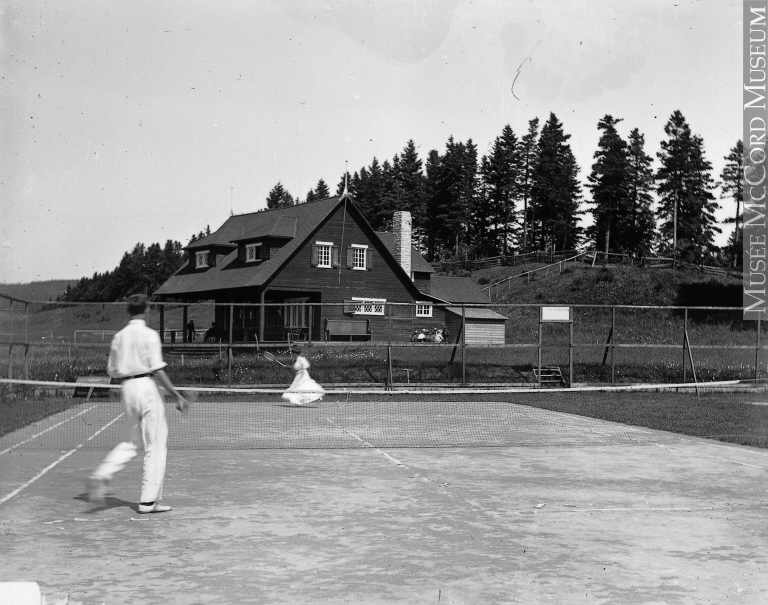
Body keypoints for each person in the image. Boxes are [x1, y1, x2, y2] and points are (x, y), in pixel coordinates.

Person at [87, 294, 188, 514]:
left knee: (131, 442)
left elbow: (112, 371)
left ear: (129, 311)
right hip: (147, 388)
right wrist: (176, 395)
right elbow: (157, 370)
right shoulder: (150, 335)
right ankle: (148, 502)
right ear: (147, 310)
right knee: (155, 446)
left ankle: (102, 474)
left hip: (127, 389)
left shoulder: (119, 336)